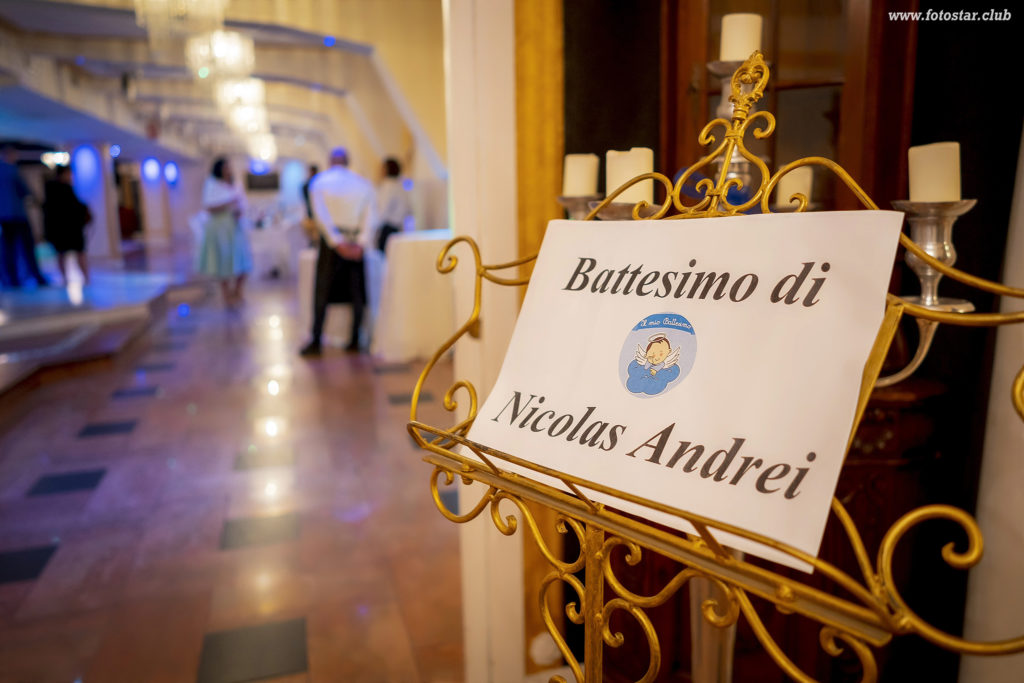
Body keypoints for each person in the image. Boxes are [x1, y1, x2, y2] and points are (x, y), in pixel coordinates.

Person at [300, 147, 378, 356]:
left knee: (323, 291)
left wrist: (337, 241)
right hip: (355, 242)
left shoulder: (319, 182)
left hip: (332, 244)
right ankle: (355, 339)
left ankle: (316, 339)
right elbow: (371, 215)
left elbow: (321, 216)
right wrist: (361, 242)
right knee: (357, 293)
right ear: (347, 161)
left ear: (330, 161)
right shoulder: (363, 184)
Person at [197, 157, 252, 307]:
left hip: (235, 226)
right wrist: (229, 203)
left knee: (242, 262)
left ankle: (238, 290)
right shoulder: (212, 184)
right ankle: (226, 294)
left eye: (229, 167)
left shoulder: (235, 184)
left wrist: (238, 210)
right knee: (223, 263)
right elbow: (209, 207)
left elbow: (242, 203)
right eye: (225, 167)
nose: (228, 170)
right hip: (219, 228)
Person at [0, 144, 48, 288]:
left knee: (8, 249)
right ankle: (35, 276)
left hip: (5, 217)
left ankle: (11, 278)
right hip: (18, 215)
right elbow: (25, 190)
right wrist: (36, 199)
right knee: (27, 248)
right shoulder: (13, 170)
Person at [43, 165, 92, 285]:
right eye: (69, 174)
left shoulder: (52, 190)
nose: (70, 176)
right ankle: (84, 278)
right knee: (75, 253)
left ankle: (69, 278)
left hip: (63, 229)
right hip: (69, 228)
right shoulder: (63, 189)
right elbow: (75, 208)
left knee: (64, 254)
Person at [375, 157, 412, 254]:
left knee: (383, 258)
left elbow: (382, 210)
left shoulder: (388, 186)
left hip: (387, 229)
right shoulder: (401, 185)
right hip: (398, 229)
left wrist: (375, 228)